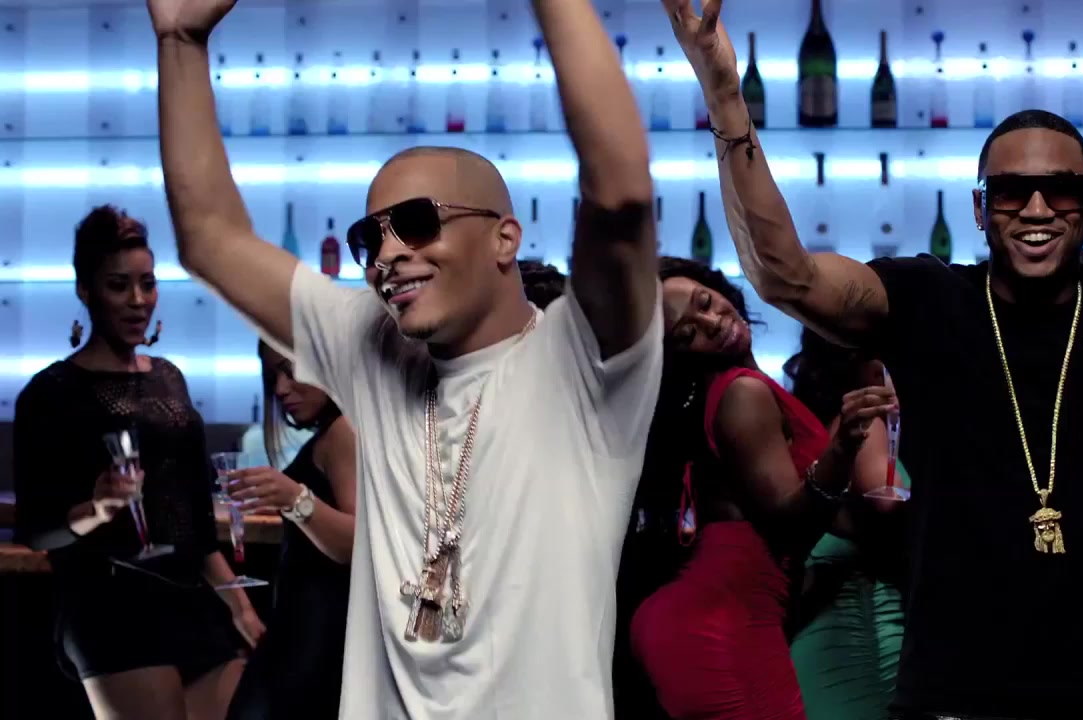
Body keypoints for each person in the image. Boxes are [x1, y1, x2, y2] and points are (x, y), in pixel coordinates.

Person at [664, 2, 1083, 716]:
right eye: (1013, 192)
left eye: (1061, 191)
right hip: (950, 696)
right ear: (981, 209)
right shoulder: (927, 300)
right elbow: (785, 277)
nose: (1038, 209)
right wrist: (724, 94)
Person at [146, 0, 662, 716]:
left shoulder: (585, 362)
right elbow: (208, 238)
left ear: (505, 239)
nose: (387, 254)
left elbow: (622, 193)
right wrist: (180, 40)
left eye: (417, 224)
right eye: (372, 238)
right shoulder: (376, 349)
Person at [12, 205, 263, 720]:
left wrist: (239, 606)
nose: (137, 300)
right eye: (118, 285)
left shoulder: (169, 377)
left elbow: (195, 523)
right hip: (110, 610)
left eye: (147, 284)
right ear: (85, 290)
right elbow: (37, 530)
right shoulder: (50, 393)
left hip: (191, 602)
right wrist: (98, 509)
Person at [627, 257, 897, 719]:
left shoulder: (745, 390)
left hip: (718, 615)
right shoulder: (742, 393)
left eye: (705, 302)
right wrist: (842, 448)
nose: (712, 322)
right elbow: (790, 523)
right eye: (688, 333)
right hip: (722, 623)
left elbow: (832, 517)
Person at [226, 341, 357, 719]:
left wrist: (295, 499)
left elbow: (356, 543)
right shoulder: (333, 431)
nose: (281, 388)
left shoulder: (343, 430)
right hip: (303, 630)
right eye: (273, 377)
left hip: (317, 636)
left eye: (290, 370)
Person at [783, 328, 909, 720]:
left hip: (842, 615)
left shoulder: (828, 426)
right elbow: (886, 499)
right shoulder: (868, 424)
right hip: (859, 621)